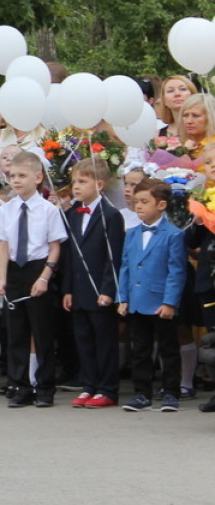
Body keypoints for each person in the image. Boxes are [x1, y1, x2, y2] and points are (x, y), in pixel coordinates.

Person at [0, 151, 68, 408]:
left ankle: (45, 387)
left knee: (42, 332)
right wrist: (2, 278)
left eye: (22, 175)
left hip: (38, 269)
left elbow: (55, 247)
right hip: (15, 270)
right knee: (16, 334)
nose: (16, 180)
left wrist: (45, 277)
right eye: (12, 176)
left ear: (37, 177)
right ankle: (20, 386)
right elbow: (3, 246)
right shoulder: (7, 210)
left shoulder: (48, 210)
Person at [117, 178, 188, 413]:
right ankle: (141, 393)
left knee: (168, 349)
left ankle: (170, 393)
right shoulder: (132, 233)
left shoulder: (174, 234)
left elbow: (176, 271)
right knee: (140, 349)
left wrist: (169, 302)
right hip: (137, 301)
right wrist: (123, 298)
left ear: (161, 205)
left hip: (160, 302)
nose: (138, 206)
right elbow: (126, 266)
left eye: (144, 202)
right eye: (136, 202)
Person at [59, 159, 124, 409]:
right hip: (78, 289)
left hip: (100, 290)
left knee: (104, 340)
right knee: (83, 340)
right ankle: (89, 385)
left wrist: (109, 290)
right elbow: (69, 256)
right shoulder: (71, 215)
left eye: (82, 182)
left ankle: (107, 388)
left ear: (99, 184)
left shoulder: (111, 215)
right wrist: (67, 289)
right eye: (75, 181)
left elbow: (113, 256)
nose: (76, 187)